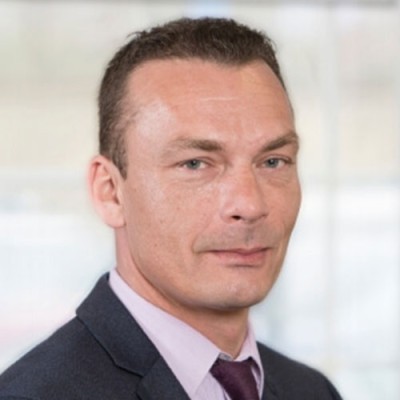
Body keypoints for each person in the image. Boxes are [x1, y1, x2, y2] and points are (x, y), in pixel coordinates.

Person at [0, 17, 342, 400]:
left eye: (273, 161)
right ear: (110, 192)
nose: (249, 204)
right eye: (195, 164)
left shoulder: (312, 391)